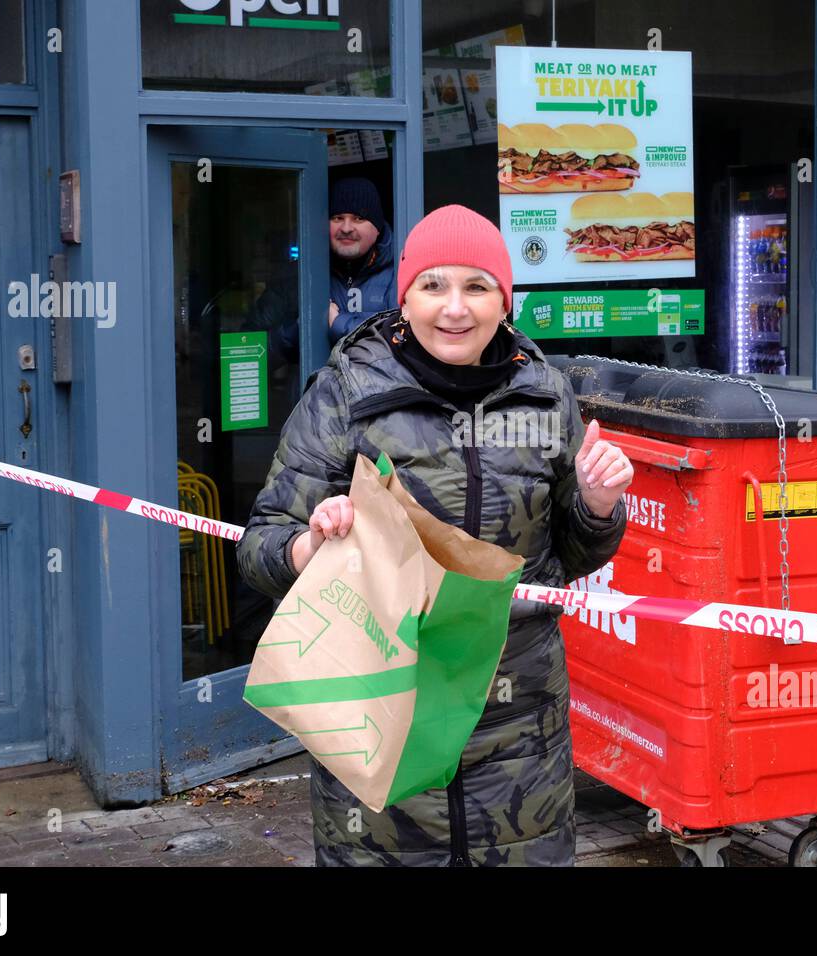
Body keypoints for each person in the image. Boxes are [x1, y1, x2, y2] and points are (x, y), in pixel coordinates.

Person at [236, 204, 632, 867]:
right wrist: (312, 544)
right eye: (434, 286)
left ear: (504, 299)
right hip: (381, 710)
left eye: (477, 287)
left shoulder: (545, 395)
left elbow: (573, 555)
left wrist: (597, 504)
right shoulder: (347, 390)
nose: (455, 308)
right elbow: (260, 548)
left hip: (517, 734)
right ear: (406, 295)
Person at [327, 177, 398, 345]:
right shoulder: (306, 271)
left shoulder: (401, 270)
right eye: (337, 218)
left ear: (377, 228)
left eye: (358, 218)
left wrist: (338, 323)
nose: (346, 228)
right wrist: (303, 324)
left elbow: (400, 335)